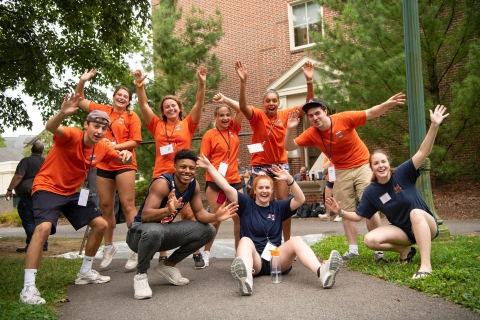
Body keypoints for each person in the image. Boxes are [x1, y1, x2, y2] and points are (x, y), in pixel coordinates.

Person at [19, 93, 133, 305]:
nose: (99, 131)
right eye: (95, 126)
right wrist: (62, 113)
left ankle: (85, 272)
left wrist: (126, 155)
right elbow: (53, 127)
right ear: (86, 125)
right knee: (43, 228)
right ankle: (28, 288)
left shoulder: (102, 147)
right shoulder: (71, 135)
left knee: (101, 225)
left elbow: (123, 156)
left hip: (72, 192)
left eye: (103, 128)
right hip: (48, 187)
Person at [326, 105, 448, 279]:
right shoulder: (371, 191)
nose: (380, 165)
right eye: (376, 163)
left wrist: (434, 125)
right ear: (371, 168)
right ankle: (405, 250)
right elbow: (359, 216)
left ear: (388, 163)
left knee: (415, 213)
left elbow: (423, 151)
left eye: (383, 161)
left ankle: (425, 266)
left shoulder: (403, 173)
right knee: (370, 240)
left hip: (426, 225)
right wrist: (341, 212)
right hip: (403, 232)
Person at [197, 155, 343, 296]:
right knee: (245, 241)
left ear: (272, 190)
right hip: (255, 261)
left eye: (267, 188)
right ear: (254, 190)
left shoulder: (278, 207)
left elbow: (300, 199)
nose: (264, 191)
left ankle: (322, 273)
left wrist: (290, 180)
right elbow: (226, 186)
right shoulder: (246, 204)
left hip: (275, 258)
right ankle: (246, 280)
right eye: (260, 188)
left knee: (296, 240)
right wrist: (210, 167)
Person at [285, 93, 406, 261]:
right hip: (341, 169)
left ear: (325, 111)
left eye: (317, 113)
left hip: (362, 163)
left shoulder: (344, 118)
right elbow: (289, 145)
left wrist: (387, 103)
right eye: (310, 115)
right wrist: (290, 128)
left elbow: (371, 112)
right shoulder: (312, 133)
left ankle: (379, 251)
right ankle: (353, 249)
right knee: (343, 209)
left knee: (370, 204)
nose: (314, 118)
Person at [127, 149, 239, 299]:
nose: (187, 171)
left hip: (161, 232)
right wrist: (168, 210)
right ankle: (140, 275)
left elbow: (199, 214)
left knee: (208, 231)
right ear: (175, 167)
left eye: (191, 168)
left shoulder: (193, 185)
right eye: (183, 167)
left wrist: (216, 216)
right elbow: (146, 216)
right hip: (138, 234)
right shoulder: (163, 183)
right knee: (154, 230)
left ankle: (168, 265)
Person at [224, 60, 314, 244]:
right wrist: (243, 82)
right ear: (263, 104)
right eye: (268, 101)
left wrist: (309, 82)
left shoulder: (286, 114)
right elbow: (242, 106)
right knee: (253, 203)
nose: (271, 103)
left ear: (279, 103)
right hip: (259, 165)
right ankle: (254, 240)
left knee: (283, 203)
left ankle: (286, 242)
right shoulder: (257, 115)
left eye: (274, 100)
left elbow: (308, 104)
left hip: (280, 164)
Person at [131, 68, 208, 268]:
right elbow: (143, 104)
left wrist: (201, 83)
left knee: (189, 214)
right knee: (160, 215)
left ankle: (195, 251)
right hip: (162, 177)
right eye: (166, 107)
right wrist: (140, 84)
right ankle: (162, 255)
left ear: (179, 108)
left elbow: (199, 103)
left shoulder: (188, 124)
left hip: (183, 177)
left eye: (173, 105)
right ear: (163, 111)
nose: (170, 109)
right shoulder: (156, 124)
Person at [76, 69, 142, 270]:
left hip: (124, 162)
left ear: (129, 101)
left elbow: (135, 141)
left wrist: (115, 147)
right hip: (103, 163)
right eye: (119, 95)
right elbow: (80, 101)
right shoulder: (103, 111)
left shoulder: (132, 116)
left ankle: (136, 248)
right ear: (113, 97)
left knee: (128, 204)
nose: (122, 98)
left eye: (126, 96)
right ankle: (109, 246)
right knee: (105, 207)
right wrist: (82, 81)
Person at [199, 96, 245, 266]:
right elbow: (204, 159)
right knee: (216, 218)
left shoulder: (234, 129)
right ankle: (206, 252)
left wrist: (225, 100)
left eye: (227, 115)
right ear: (215, 118)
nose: (225, 118)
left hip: (234, 181)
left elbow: (241, 109)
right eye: (221, 115)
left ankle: (239, 253)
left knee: (239, 218)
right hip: (216, 182)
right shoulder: (209, 135)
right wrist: (216, 173)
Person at [5, 141, 47, 252]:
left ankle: (35, 244)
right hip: (43, 194)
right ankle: (42, 244)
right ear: (42, 151)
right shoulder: (46, 162)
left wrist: (9, 190)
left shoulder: (26, 161)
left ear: (31, 150)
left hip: (29, 194)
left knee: (28, 219)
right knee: (40, 220)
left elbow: (19, 176)